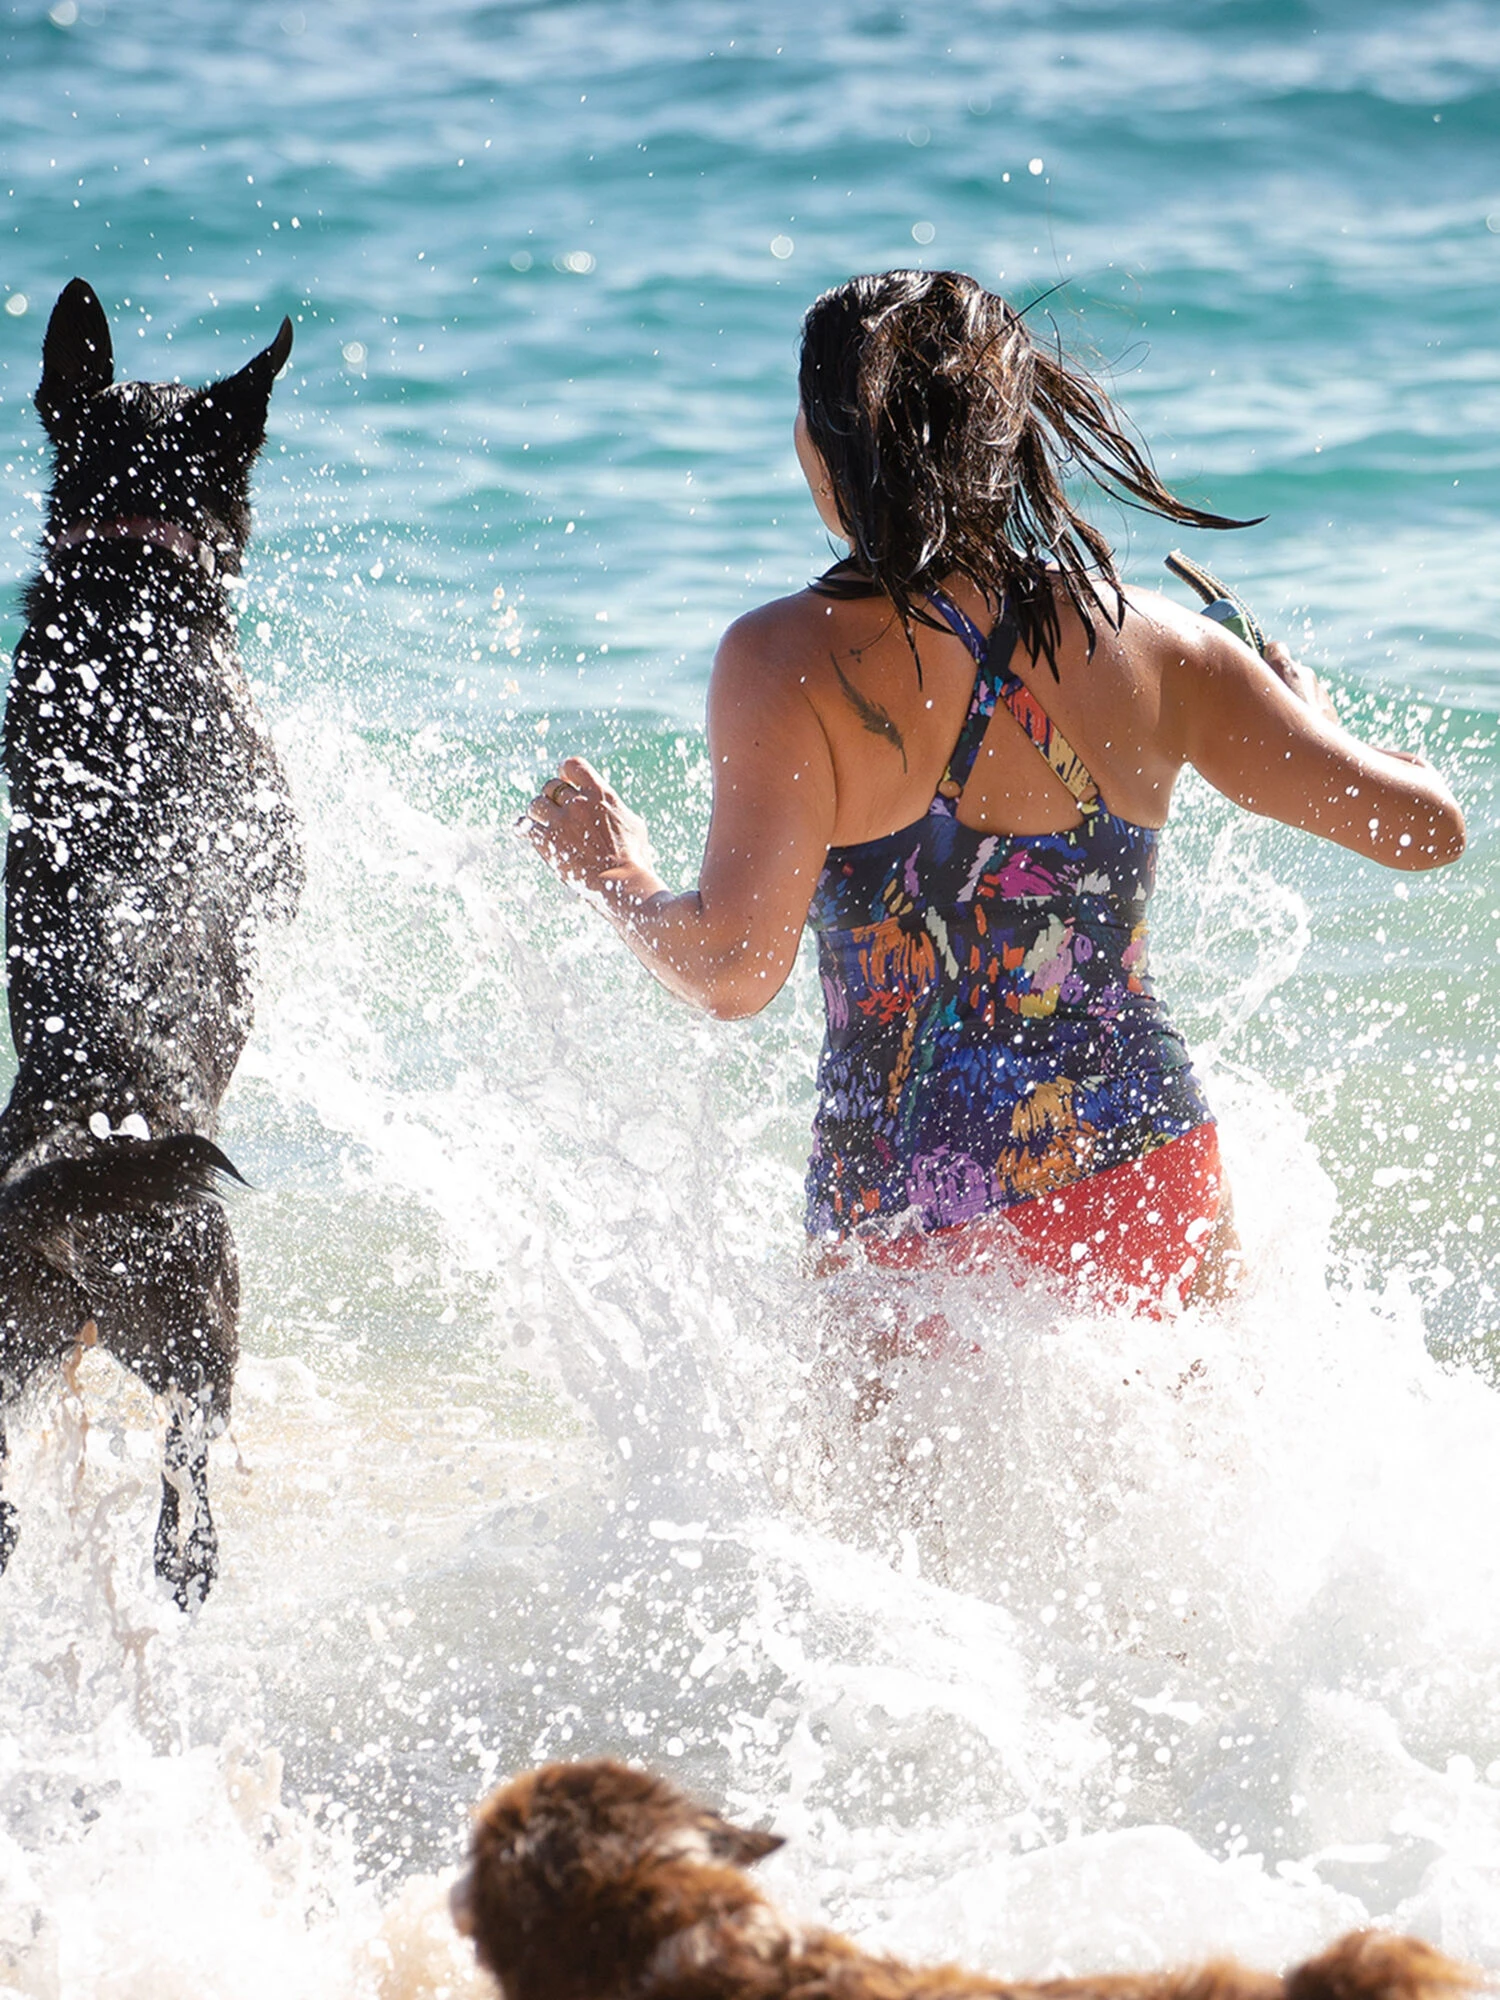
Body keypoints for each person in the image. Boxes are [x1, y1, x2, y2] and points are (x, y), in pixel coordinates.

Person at [525, 270, 1465, 1317]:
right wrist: (1314, 722)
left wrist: (609, 871)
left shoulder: (781, 659)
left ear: (829, 438)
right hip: (1145, 1168)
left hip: (907, 1215)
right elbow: (1427, 829)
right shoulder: (1156, 641)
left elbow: (736, 969)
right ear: (1006, 432)